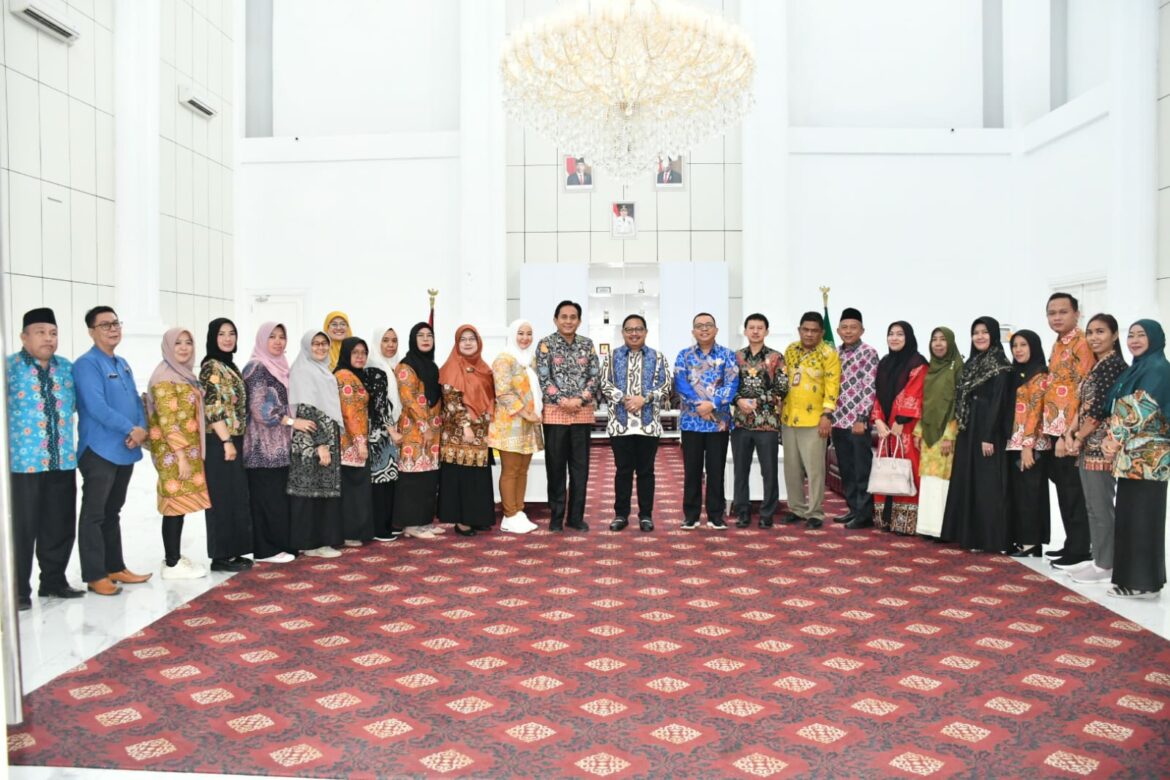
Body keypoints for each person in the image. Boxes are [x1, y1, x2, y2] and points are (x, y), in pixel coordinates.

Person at [7, 307, 82, 609]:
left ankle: (53, 581)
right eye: (40, 333)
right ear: (24, 337)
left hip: (62, 460)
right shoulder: (9, 368)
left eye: (53, 333)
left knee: (60, 524)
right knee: (22, 529)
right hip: (23, 465)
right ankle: (16, 591)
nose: (48, 339)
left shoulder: (66, 368)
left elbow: (76, 406)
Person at [74, 306, 151, 596]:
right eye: (105, 325)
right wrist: (130, 429)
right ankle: (95, 575)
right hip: (99, 450)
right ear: (91, 331)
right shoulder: (86, 364)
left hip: (124, 447)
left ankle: (114, 566)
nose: (113, 329)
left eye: (116, 323)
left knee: (112, 511)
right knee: (94, 514)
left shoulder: (122, 363)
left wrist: (140, 428)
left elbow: (135, 401)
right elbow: (96, 407)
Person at [1101, 320, 1170, 600]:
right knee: (1131, 517)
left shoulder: (1158, 369)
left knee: (1144, 519)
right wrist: (1114, 439)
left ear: (1156, 338)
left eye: (1142, 335)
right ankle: (1136, 581)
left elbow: (1141, 407)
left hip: (1150, 458)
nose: (1135, 340)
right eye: (1131, 335)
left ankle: (1145, 583)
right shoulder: (1138, 369)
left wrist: (1114, 438)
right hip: (1132, 458)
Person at [940, 317, 1011, 553]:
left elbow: (998, 403)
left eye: (984, 332)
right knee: (969, 480)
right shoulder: (972, 363)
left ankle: (987, 538)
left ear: (994, 335)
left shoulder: (999, 364)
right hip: (968, 429)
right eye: (975, 332)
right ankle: (968, 535)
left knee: (986, 485)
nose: (979, 337)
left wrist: (988, 435)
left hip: (987, 431)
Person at [1066, 314, 1128, 583]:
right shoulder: (1099, 365)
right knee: (1092, 506)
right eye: (1090, 332)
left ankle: (1106, 564)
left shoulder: (1113, 366)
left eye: (1100, 331)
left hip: (1099, 448)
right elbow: (1083, 405)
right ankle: (1099, 558)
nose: (1093, 337)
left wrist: (1078, 437)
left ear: (1115, 335)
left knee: (1101, 507)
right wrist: (1071, 434)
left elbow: (1099, 410)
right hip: (1086, 444)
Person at [145, 328, 211, 580]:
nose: (184, 347)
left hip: (185, 450)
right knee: (173, 506)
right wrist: (181, 456)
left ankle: (173, 557)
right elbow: (167, 419)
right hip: (173, 453)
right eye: (178, 343)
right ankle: (172, 563)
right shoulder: (164, 377)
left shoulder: (183, 375)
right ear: (168, 347)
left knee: (178, 506)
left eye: (188, 342)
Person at [600, 314, 672, 532]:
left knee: (646, 472)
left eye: (638, 329)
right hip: (619, 424)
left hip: (648, 425)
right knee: (622, 471)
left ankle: (646, 515)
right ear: (623, 333)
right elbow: (604, 384)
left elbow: (666, 385)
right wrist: (624, 399)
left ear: (646, 332)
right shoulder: (611, 357)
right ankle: (621, 515)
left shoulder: (658, 357)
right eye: (629, 329)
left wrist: (644, 399)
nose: (634, 333)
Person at [535, 301, 601, 532]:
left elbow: (595, 376)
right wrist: (563, 400)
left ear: (579, 321)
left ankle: (575, 517)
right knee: (555, 468)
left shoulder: (587, 344)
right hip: (556, 414)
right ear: (555, 319)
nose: (568, 321)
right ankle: (556, 517)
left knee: (580, 469)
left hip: (582, 414)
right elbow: (544, 378)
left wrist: (580, 399)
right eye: (564, 317)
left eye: (573, 317)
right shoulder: (545, 344)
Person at [242, 322, 304, 564]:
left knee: (278, 499)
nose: (278, 342)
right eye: (272, 337)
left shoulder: (281, 367)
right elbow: (260, 409)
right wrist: (291, 422)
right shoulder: (256, 367)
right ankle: (265, 550)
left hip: (281, 447)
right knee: (266, 500)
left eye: (282, 337)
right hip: (261, 448)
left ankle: (280, 544)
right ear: (262, 340)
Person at [1042, 293, 1096, 568]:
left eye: (1063, 312)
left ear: (1077, 313)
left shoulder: (1082, 344)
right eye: (1052, 313)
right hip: (1055, 428)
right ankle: (1072, 542)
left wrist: (1070, 434)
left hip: (1071, 431)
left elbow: (1085, 391)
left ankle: (1080, 548)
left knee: (1074, 490)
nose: (1057, 317)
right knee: (1064, 488)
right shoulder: (1058, 344)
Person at [674, 312, 739, 530]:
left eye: (708, 325)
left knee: (716, 470)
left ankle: (715, 515)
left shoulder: (728, 355)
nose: (704, 329)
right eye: (699, 326)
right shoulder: (684, 355)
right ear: (693, 331)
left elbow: (732, 384)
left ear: (716, 330)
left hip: (718, 422)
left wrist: (712, 404)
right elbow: (681, 384)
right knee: (691, 470)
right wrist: (698, 406)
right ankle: (691, 515)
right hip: (691, 422)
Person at [200, 318, 254, 572]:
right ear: (213, 337)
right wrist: (226, 441)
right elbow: (213, 408)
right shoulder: (211, 367)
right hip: (220, 441)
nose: (227, 338)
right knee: (221, 498)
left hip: (233, 439)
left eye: (232, 333)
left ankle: (233, 551)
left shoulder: (228, 365)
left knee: (234, 496)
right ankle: (220, 556)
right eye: (221, 334)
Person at [781, 312, 840, 529]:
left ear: (822, 332)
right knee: (791, 467)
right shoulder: (790, 350)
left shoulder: (829, 353)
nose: (809, 334)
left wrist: (827, 415)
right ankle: (796, 508)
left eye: (814, 330)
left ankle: (815, 512)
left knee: (814, 469)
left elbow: (833, 386)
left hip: (815, 419)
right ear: (799, 330)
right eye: (805, 329)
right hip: (789, 418)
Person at [287, 331, 343, 557]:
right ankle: (310, 543)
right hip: (310, 443)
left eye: (324, 344)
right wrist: (321, 444)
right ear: (306, 347)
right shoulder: (303, 370)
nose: (320, 348)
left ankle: (320, 541)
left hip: (326, 439)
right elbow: (306, 408)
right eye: (315, 344)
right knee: (309, 493)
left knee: (323, 492)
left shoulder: (323, 371)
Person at [438, 325, 497, 536]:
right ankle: (462, 521)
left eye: (472, 338)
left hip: (481, 431)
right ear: (457, 343)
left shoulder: (484, 368)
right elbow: (451, 400)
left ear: (478, 341)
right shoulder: (451, 367)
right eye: (463, 339)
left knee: (478, 477)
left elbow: (491, 398)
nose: (468, 342)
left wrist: (490, 422)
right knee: (461, 478)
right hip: (459, 433)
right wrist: (465, 426)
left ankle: (478, 517)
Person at [730, 313, 788, 528]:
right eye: (751, 327)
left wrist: (757, 401)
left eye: (760, 328)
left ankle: (767, 513)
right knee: (740, 470)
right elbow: (727, 386)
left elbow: (782, 388)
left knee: (769, 471)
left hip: (767, 423)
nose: (755, 331)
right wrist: (738, 400)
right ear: (745, 331)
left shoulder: (776, 357)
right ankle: (742, 511)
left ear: (766, 331)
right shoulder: (735, 357)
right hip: (741, 423)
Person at [870, 322, 928, 534]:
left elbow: (914, 392)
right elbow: (876, 393)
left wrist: (900, 420)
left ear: (908, 337)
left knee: (906, 470)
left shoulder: (917, 363)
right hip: (886, 429)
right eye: (891, 334)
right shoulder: (884, 363)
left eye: (900, 334)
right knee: (886, 470)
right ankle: (886, 519)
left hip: (906, 428)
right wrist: (878, 420)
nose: (894, 338)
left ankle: (906, 522)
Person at [488, 319, 544, 534]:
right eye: (520, 333)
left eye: (529, 334)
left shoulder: (530, 360)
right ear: (512, 335)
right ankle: (509, 514)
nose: (525, 338)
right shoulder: (504, 359)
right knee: (510, 470)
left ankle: (518, 511)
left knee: (522, 470)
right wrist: (527, 413)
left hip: (528, 425)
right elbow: (503, 393)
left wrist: (534, 414)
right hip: (509, 424)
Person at [393, 323, 445, 539]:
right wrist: (424, 427)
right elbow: (409, 400)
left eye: (429, 335)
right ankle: (411, 524)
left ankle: (424, 522)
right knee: (413, 479)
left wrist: (434, 428)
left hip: (433, 431)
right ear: (413, 339)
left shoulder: (432, 366)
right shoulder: (406, 367)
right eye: (421, 335)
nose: (425, 339)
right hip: (414, 431)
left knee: (429, 478)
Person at [831, 307, 879, 528]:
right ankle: (853, 509)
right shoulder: (834, 354)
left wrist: (862, 417)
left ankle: (865, 513)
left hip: (857, 422)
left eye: (853, 327)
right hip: (838, 420)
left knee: (862, 469)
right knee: (847, 469)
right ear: (838, 331)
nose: (848, 331)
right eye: (845, 327)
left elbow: (869, 386)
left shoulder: (868, 353)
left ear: (862, 330)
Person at [1004, 330, 1051, 556]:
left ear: (1033, 346)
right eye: (1015, 345)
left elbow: (1036, 412)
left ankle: (1031, 542)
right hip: (1015, 442)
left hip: (1032, 446)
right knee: (1019, 493)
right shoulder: (1016, 373)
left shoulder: (1039, 375)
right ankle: (1022, 538)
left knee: (1030, 493)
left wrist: (1027, 446)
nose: (1018, 350)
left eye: (1023, 345)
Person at [915, 327, 962, 540]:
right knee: (928, 480)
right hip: (928, 432)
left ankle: (943, 528)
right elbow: (925, 402)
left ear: (950, 342)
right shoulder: (931, 368)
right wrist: (918, 431)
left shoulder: (957, 368)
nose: (938, 343)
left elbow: (958, 404)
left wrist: (950, 435)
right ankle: (927, 527)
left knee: (943, 481)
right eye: (934, 339)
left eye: (943, 339)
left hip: (946, 435)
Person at [335, 337, 376, 546]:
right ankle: (350, 533)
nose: (360, 356)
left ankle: (353, 532)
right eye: (355, 352)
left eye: (363, 352)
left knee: (355, 488)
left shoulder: (355, 375)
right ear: (346, 354)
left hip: (355, 440)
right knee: (353, 490)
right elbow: (349, 412)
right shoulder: (344, 376)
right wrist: (360, 442)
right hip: (349, 443)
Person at [366, 326, 404, 541]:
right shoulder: (375, 368)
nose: (390, 345)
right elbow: (380, 405)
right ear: (377, 342)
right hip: (378, 433)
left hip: (389, 432)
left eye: (394, 340)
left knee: (389, 479)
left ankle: (388, 524)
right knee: (380, 480)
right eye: (385, 340)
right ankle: (379, 528)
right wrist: (391, 430)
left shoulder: (392, 367)